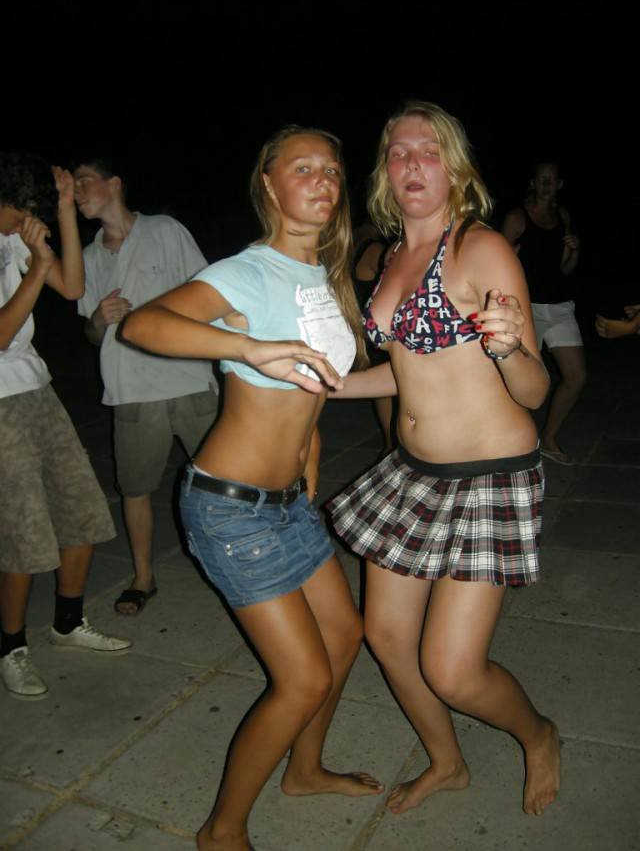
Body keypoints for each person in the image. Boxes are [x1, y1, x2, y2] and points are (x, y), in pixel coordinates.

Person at [121, 126, 382, 850]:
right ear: (268, 183)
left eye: (332, 169)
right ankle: (222, 830)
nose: (323, 180)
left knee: (346, 635)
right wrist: (246, 346)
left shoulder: (325, 277)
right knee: (303, 679)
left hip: (288, 504)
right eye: (303, 168)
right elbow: (144, 324)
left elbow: (314, 385)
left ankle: (305, 769)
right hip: (230, 507)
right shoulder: (247, 272)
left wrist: (311, 446)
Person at [327, 102, 560, 818]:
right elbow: (406, 372)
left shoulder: (480, 249)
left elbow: (534, 389)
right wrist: (327, 383)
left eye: (428, 150)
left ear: (454, 167)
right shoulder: (391, 255)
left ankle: (539, 734)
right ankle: (447, 761)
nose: (412, 163)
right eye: (398, 152)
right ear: (384, 172)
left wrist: (509, 348)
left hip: (487, 478)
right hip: (412, 474)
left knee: (453, 670)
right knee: (387, 637)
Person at [0, 153, 129, 701]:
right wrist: (35, 268)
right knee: (24, 530)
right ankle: (10, 648)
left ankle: (69, 622)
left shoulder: (14, 239)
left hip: (36, 389)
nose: (29, 219)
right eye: (23, 209)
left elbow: (73, 288)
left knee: (81, 507)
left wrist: (65, 214)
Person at [74, 161, 219, 615]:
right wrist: (98, 319)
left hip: (189, 378)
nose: (77, 192)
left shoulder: (165, 230)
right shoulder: (88, 257)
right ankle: (142, 578)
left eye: (83, 181)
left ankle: (230, 567)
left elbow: (209, 292)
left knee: (222, 480)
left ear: (114, 183)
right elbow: (91, 335)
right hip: (131, 388)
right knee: (134, 488)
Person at [502, 162, 584, 465]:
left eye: (552, 180)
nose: (547, 185)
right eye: (542, 180)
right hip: (527, 308)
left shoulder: (563, 216)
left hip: (560, 306)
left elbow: (565, 269)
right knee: (522, 381)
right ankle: (509, 442)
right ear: (533, 183)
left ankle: (548, 439)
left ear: (559, 184)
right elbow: (494, 261)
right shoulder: (518, 217)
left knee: (576, 376)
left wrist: (574, 251)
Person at [352, 222, 394, 453]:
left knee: (387, 409)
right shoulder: (376, 249)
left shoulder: (353, 249)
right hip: (380, 336)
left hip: (369, 333)